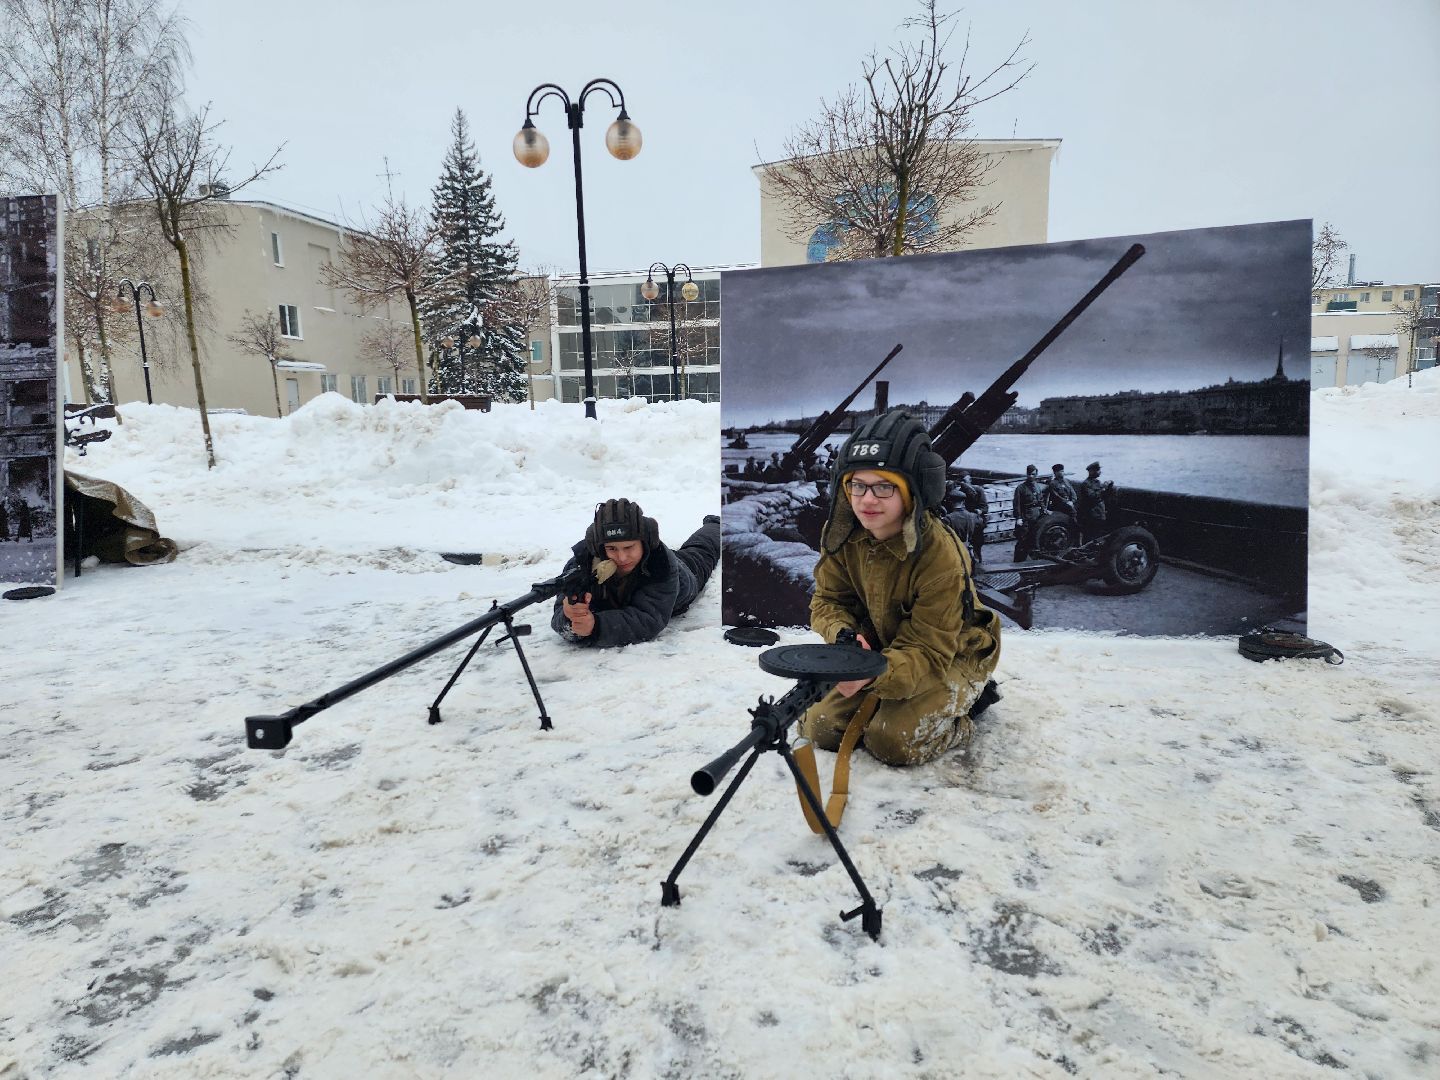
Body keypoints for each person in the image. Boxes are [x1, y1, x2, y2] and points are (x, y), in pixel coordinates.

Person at [800, 409, 1001, 766]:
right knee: (820, 726)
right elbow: (828, 601)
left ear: (912, 492)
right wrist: (844, 638)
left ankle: (967, 711)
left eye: (884, 486)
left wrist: (869, 674)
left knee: (893, 741)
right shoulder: (842, 533)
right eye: (857, 485)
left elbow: (928, 650)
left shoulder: (940, 555)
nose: (866, 500)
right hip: (884, 646)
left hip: (953, 652)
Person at [552, 498, 721, 648]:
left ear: (645, 542)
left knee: (701, 551)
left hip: (684, 576)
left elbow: (648, 619)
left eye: (629, 547)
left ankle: (717, 525)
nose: (622, 557)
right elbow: (560, 616)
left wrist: (597, 626)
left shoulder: (662, 564)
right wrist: (569, 616)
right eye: (612, 548)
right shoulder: (582, 563)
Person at [1011, 465, 1044, 561]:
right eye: (1029, 474)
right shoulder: (1021, 488)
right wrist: (1018, 518)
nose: (1031, 476)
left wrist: (1044, 510)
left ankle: (1031, 561)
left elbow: (1041, 500)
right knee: (1023, 540)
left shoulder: (1037, 486)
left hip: (1036, 517)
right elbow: (1016, 504)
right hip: (1025, 518)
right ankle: (1018, 561)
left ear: (1036, 475)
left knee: (1033, 540)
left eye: (1033, 474)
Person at [1077, 461, 1114, 544]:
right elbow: (1092, 497)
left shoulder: (1098, 482)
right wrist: (1103, 489)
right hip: (1091, 515)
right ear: (1091, 471)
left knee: (1098, 535)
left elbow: (1104, 496)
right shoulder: (1086, 484)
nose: (1099, 472)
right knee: (1089, 536)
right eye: (1097, 470)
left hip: (1100, 513)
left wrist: (1109, 486)